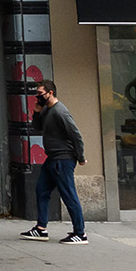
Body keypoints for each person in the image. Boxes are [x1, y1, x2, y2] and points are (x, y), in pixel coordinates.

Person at [20, 80, 88, 244]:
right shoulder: (46, 110)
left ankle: (80, 233)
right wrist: (36, 112)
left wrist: (80, 157)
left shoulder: (60, 112)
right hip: (52, 159)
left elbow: (75, 135)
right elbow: (37, 128)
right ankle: (41, 229)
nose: (38, 97)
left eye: (40, 94)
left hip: (63, 159)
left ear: (50, 93)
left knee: (68, 195)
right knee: (41, 190)